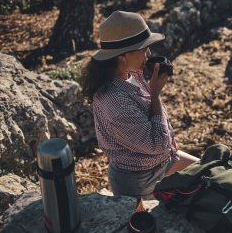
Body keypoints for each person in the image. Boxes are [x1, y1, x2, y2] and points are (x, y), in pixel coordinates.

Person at [79, 11, 200, 206]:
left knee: (210, 171)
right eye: (144, 49)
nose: (149, 53)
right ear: (123, 56)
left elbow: (157, 133)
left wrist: (153, 92)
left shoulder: (130, 74)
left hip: (164, 161)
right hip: (139, 180)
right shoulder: (114, 101)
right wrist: (155, 94)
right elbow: (157, 143)